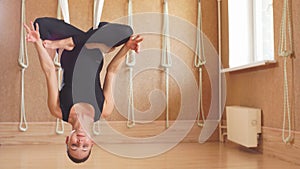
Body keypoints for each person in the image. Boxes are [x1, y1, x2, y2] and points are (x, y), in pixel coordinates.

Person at [24, 17, 143, 163]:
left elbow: (49, 71)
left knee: (40, 25)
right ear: (92, 141)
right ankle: (92, 39)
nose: (80, 142)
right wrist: (126, 48)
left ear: (67, 140)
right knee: (126, 33)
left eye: (74, 145)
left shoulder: (58, 110)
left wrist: (37, 44)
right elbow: (111, 71)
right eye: (85, 146)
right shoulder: (104, 110)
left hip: (71, 51)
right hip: (92, 50)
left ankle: (85, 39)